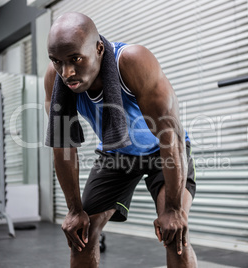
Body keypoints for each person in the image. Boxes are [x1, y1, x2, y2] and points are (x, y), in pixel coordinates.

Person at [44, 12, 197, 268]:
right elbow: (63, 147)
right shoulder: (56, 79)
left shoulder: (133, 61)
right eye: (57, 61)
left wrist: (173, 209)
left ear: (99, 48)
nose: (66, 72)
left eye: (75, 59)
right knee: (82, 234)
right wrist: (73, 210)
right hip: (116, 154)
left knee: (175, 234)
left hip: (163, 151)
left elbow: (170, 136)